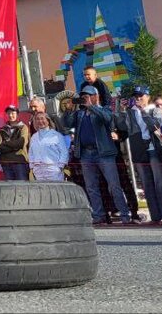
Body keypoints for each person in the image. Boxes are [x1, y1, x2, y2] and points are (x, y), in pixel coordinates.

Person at [64, 85, 134, 225]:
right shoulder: (80, 114)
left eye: (87, 96)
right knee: (91, 186)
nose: (85, 99)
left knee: (114, 185)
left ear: (96, 97)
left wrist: (91, 106)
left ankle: (125, 214)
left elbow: (108, 119)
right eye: (83, 97)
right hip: (86, 154)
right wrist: (69, 110)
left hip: (104, 153)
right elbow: (67, 123)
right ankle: (98, 215)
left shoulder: (104, 109)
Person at [127, 87, 162, 225]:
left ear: (147, 96)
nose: (138, 99)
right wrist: (122, 109)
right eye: (135, 96)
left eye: (140, 96)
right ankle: (156, 217)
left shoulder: (155, 110)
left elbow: (154, 125)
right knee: (147, 185)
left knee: (160, 182)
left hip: (154, 149)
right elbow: (124, 127)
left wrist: (143, 111)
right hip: (140, 150)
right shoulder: (131, 112)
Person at [28, 114, 69, 182]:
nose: (40, 121)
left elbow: (64, 152)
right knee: (42, 191)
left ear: (48, 121)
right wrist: (32, 167)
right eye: (37, 119)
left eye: (42, 118)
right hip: (38, 170)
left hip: (53, 169)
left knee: (55, 191)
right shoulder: (34, 137)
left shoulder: (57, 135)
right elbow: (31, 153)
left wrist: (60, 167)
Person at [0, 106, 30, 181]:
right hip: (6, 162)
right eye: (8, 113)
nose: (10, 115)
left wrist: (6, 143)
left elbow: (21, 143)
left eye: (13, 113)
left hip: (19, 162)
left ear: (17, 115)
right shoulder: (2, 129)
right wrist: (13, 146)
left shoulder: (23, 127)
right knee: (9, 188)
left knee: (22, 186)